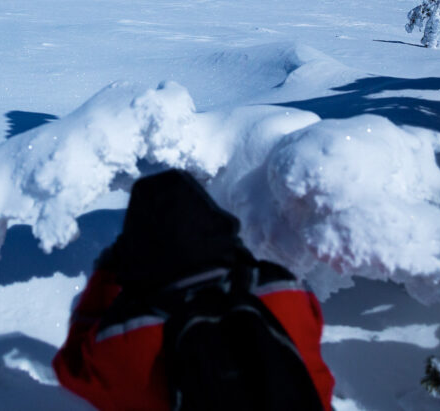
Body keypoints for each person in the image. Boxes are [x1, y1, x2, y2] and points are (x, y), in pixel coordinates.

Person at [53, 169, 335, 410]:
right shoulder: (283, 291)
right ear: (217, 221)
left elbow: (71, 368)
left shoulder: (127, 337)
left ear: (135, 249)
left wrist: (106, 276)